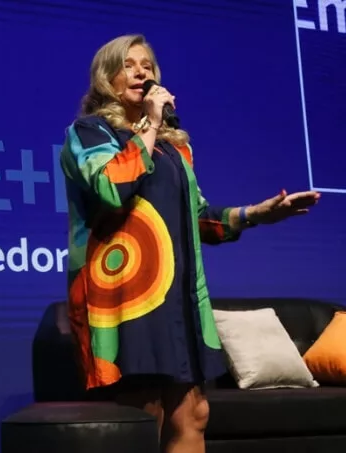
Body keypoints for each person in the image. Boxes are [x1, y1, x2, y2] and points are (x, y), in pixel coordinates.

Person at [59, 34, 320, 453]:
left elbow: (198, 217)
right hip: (125, 295)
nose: (141, 72)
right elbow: (112, 187)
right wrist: (150, 124)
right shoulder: (90, 132)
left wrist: (257, 213)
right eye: (128, 65)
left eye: (147, 65)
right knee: (145, 414)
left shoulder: (174, 149)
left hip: (178, 296)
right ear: (107, 78)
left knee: (193, 413)